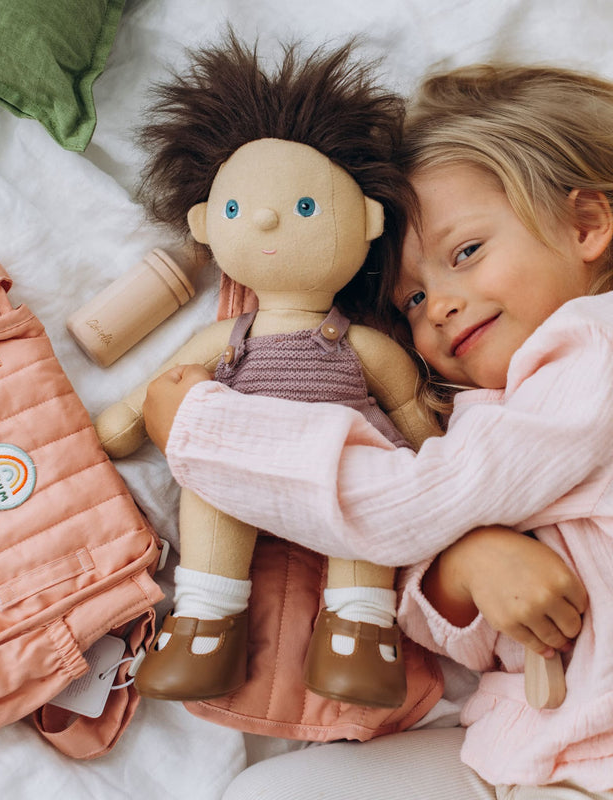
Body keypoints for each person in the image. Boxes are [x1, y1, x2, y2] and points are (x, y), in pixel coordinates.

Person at [142, 63, 613, 797]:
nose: (440, 306)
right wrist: (464, 573)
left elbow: (409, 505)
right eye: (412, 299)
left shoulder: (596, 344)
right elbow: (460, 631)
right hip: (543, 745)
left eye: (466, 253)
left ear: (585, 225)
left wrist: (208, 433)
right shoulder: (488, 415)